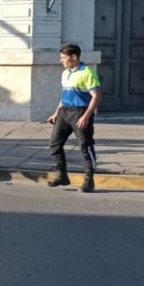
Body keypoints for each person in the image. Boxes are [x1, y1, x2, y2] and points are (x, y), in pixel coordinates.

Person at [46, 43, 101, 193]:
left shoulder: (87, 73)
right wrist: (57, 112)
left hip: (80, 112)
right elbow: (65, 95)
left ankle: (89, 181)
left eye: (64, 58)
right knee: (54, 144)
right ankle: (61, 175)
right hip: (65, 112)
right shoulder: (66, 73)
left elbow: (96, 96)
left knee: (85, 146)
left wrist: (86, 116)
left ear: (74, 57)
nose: (61, 60)